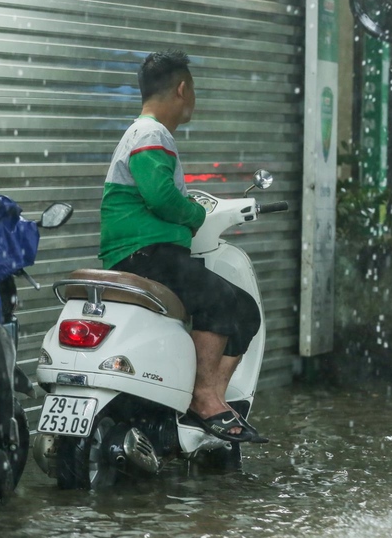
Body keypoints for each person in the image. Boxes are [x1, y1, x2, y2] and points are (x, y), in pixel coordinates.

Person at [98, 49, 267, 444]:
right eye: (193, 91)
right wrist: (193, 215)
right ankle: (203, 397)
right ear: (181, 88)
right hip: (145, 252)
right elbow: (160, 197)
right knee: (223, 302)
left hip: (147, 251)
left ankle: (210, 398)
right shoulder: (151, 133)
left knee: (243, 310)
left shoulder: (145, 133)